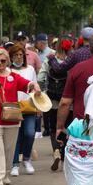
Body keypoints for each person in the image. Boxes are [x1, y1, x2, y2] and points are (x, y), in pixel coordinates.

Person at [0, 48, 41, 185]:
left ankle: (7, 172)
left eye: (3, 60)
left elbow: (27, 84)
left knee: (9, 149)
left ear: (7, 61)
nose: (0, 63)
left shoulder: (13, 76)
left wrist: (35, 85)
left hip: (12, 119)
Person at [37, 38, 73, 171]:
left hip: (51, 101)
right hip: (68, 102)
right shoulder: (71, 62)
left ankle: (56, 151)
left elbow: (40, 78)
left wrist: (41, 90)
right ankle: (64, 158)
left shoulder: (49, 60)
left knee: (53, 129)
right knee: (66, 128)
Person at [9, 44, 37, 176]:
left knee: (30, 133)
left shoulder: (30, 69)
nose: (19, 57)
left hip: (28, 106)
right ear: (11, 57)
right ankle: (15, 164)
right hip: (13, 107)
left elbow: (35, 87)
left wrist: (38, 106)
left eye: (21, 55)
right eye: (16, 55)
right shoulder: (8, 71)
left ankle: (27, 158)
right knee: (16, 136)